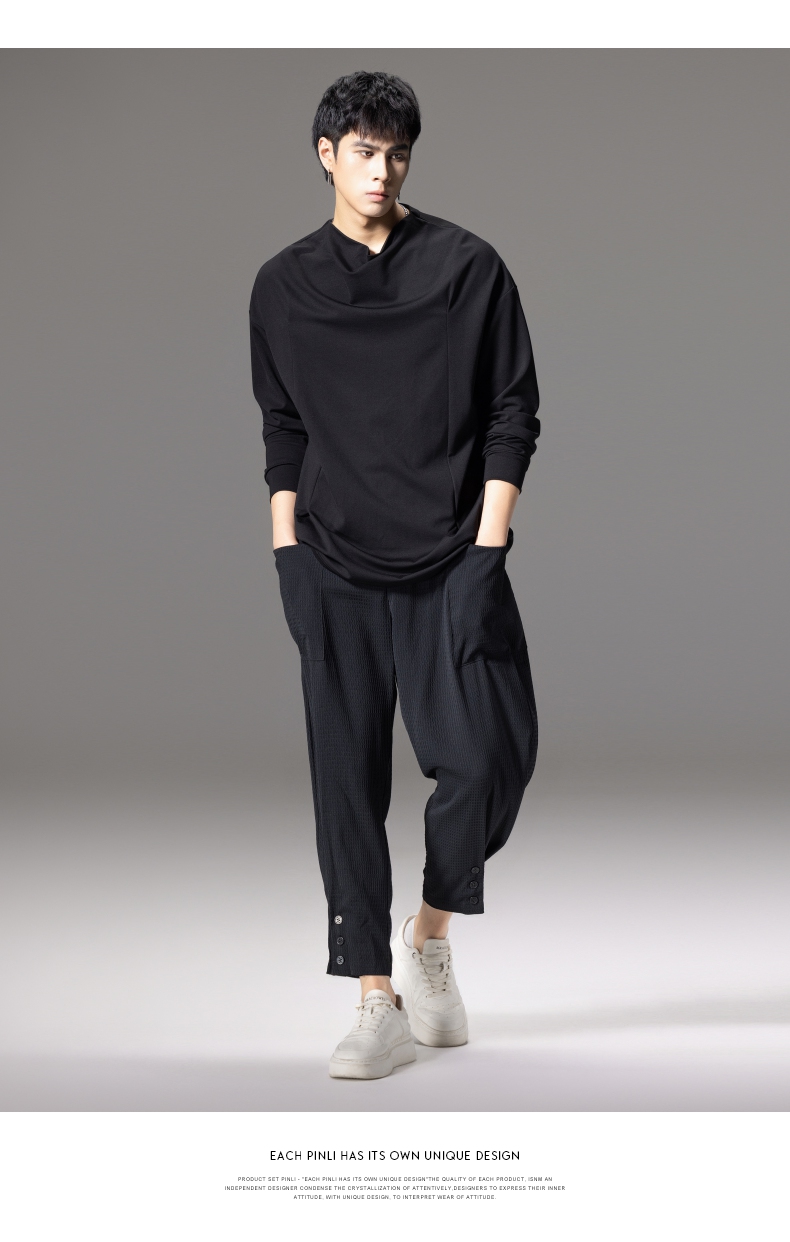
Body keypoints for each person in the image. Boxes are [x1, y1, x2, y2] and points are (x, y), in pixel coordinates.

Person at [249, 70, 540, 1080]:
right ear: (326, 155)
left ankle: (428, 936)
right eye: (364, 152)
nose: (382, 170)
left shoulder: (467, 268)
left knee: (488, 761)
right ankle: (374, 999)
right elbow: (282, 427)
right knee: (347, 783)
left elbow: (512, 413)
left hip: (452, 556)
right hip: (330, 561)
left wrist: (487, 549)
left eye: (397, 152)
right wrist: (285, 551)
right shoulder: (283, 286)